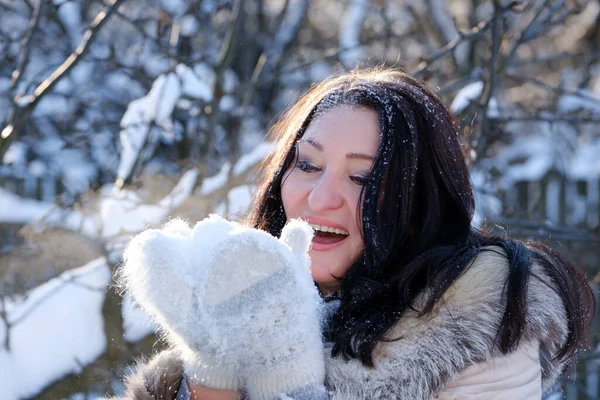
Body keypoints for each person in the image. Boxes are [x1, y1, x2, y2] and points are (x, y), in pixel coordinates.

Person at [111, 68, 595, 400]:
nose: (320, 198)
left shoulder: (478, 327)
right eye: (308, 164)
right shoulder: (249, 298)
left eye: (364, 178)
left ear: (417, 205)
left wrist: (281, 372)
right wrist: (213, 362)